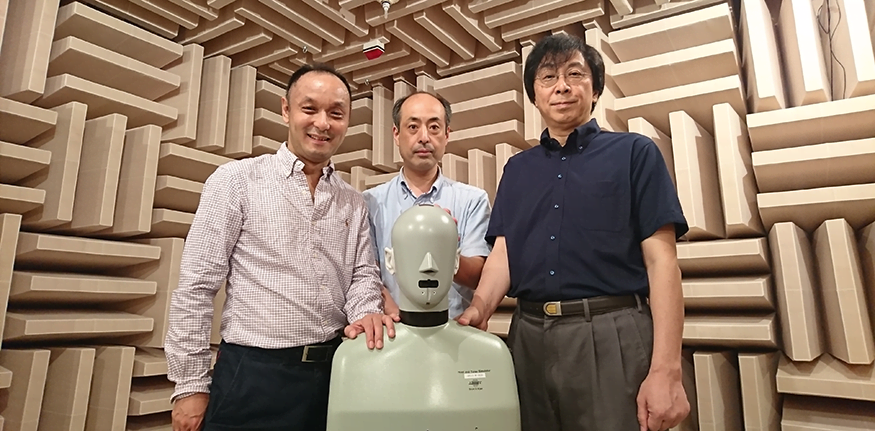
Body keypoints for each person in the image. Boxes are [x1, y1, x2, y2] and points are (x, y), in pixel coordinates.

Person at [457, 34, 691, 431]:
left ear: (595, 89)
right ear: (534, 95)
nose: (561, 85)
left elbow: (662, 262)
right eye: (548, 77)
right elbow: (504, 254)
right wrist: (480, 307)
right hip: (528, 337)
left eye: (574, 74)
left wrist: (666, 370)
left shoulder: (635, 153)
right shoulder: (517, 170)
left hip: (611, 331)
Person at [165, 63, 395, 431]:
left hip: (335, 372)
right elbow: (196, 287)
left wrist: (365, 312)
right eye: (310, 109)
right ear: (286, 110)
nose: (323, 123)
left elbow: (363, 275)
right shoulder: (236, 181)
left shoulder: (353, 201)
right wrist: (190, 385)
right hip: (254, 376)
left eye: (336, 113)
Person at [363, 91, 492, 320]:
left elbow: (476, 277)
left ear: (446, 135)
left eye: (434, 127)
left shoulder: (472, 200)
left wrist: (444, 245)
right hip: (394, 333)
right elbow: (367, 275)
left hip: (453, 334)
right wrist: (398, 316)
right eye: (413, 127)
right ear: (396, 134)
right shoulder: (370, 202)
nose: (424, 137)